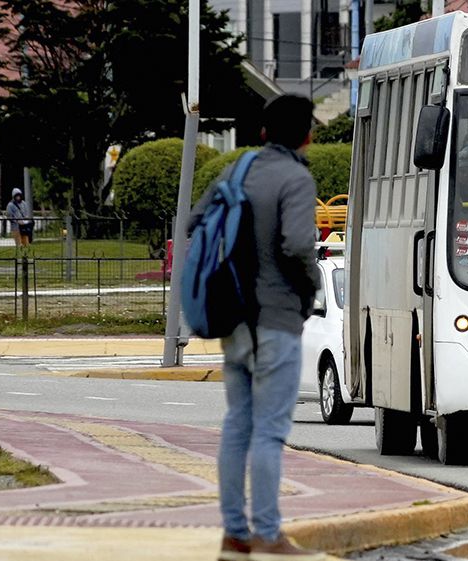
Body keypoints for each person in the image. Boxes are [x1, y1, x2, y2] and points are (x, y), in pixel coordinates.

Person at [190, 95, 326, 561]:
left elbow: (196, 221)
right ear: (307, 136)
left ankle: (234, 534)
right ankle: (267, 535)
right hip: (278, 320)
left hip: (234, 320)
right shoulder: (297, 178)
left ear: (264, 133)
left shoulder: (237, 169)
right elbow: (297, 245)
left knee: (237, 426)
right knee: (269, 431)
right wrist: (312, 287)